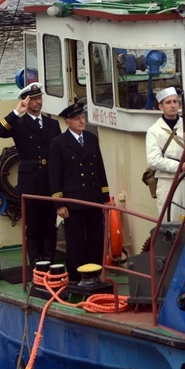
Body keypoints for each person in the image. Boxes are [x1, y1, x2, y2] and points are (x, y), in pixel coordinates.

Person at [0, 83, 61, 266]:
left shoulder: (52, 124)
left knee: (49, 224)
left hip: (48, 179)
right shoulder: (18, 124)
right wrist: (16, 112)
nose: (38, 102)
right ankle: (35, 262)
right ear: (26, 101)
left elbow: (57, 153)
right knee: (32, 225)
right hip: (30, 180)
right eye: (34, 99)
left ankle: (49, 259)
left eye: (40, 98)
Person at [48, 102, 109, 283]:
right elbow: (55, 175)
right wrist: (59, 204)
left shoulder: (91, 138)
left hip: (92, 198)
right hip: (73, 200)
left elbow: (99, 169)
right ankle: (75, 277)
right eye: (77, 119)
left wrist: (104, 197)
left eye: (82, 118)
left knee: (96, 238)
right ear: (68, 122)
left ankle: (94, 274)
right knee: (75, 242)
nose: (82, 121)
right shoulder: (58, 143)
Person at [145, 87, 185, 219]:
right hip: (167, 181)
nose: (173, 105)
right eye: (168, 102)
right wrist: (179, 166)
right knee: (170, 224)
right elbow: (153, 160)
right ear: (160, 107)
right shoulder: (154, 131)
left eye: (175, 101)